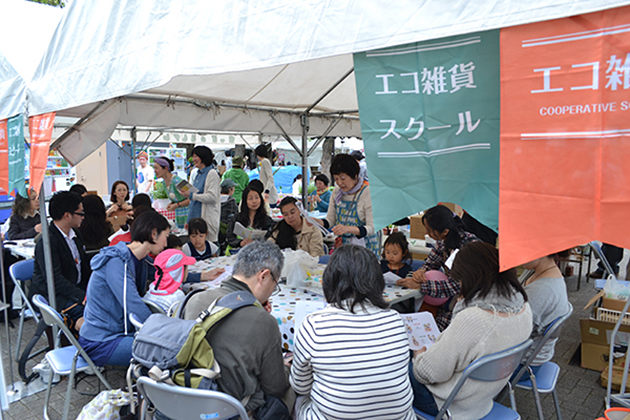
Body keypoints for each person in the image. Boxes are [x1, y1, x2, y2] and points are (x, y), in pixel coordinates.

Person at [291, 245, 415, 420]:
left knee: (297, 400)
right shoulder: (395, 319)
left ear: (330, 280)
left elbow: (300, 386)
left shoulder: (314, 324)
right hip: (398, 417)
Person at [410, 242, 532, 419]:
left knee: (395, 366)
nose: (459, 285)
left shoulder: (474, 318)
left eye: (458, 280)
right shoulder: (523, 306)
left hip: (448, 404)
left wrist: (418, 353)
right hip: (483, 398)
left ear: (470, 277)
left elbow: (427, 373)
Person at [182, 241, 291, 414]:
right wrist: (285, 366)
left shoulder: (194, 298)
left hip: (181, 399)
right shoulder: (264, 322)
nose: (272, 291)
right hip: (229, 410)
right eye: (274, 285)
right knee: (291, 391)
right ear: (263, 276)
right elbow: (275, 387)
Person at [79, 211, 171, 367]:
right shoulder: (117, 262)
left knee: (166, 347)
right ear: (154, 234)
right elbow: (133, 304)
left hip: (118, 333)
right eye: (166, 237)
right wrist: (164, 331)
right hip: (101, 342)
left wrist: (201, 276)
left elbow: (163, 274)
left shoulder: (139, 258)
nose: (166, 244)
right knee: (167, 351)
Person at [397, 204, 480, 330]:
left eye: (429, 230)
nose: (426, 233)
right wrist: (421, 271)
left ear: (445, 231)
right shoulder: (443, 242)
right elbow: (430, 263)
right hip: (450, 300)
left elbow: (456, 285)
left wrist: (422, 286)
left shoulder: (469, 248)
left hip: (470, 303)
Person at [30, 191, 90, 329]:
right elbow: (54, 280)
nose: (83, 217)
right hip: (55, 295)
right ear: (67, 216)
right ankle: (87, 346)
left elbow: (84, 268)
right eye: (80, 213)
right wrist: (82, 297)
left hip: (74, 288)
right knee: (89, 315)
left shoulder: (75, 235)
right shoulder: (47, 242)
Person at [518, 251, 570, 376]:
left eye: (523, 250)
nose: (518, 255)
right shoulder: (536, 271)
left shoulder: (542, 290)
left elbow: (517, 333)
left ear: (542, 251)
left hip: (523, 364)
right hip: (528, 354)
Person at [314, 153, 378, 256]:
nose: (339, 183)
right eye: (336, 179)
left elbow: (372, 227)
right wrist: (317, 222)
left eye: (343, 178)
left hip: (365, 249)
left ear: (355, 175)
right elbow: (330, 220)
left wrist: (348, 229)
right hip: (344, 248)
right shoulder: (337, 193)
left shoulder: (367, 193)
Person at [180, 146, 221, 244]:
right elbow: (194, 200)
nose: (193, 159)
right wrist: (189, 220)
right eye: (193, 156)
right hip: (196, 219)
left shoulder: (212, 174)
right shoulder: (198, 173)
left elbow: (212, 197)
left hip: (207, 221)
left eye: (196, 156)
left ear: (203, 157)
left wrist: (191, 195)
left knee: (208, 248)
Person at [144, 249, 196, 313]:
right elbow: (184, 318)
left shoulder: (152, 287)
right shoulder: (177, 295)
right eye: (186, 268)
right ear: (179, 271)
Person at [226, 187, 274, 251]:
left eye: (257, 197)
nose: (254, 201)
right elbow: (230, 237)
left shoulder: (266, 219)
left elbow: (271, 237)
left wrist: (256, 242)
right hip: (239, 251)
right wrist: (240, 242)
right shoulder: (236, 218)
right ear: (245, 201)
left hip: (259, 252)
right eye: (250, 198)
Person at [153, 156, 188, 228]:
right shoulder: (164, 183)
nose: (154, 171)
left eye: (156, 168)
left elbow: (194, 197)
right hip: (179, 218)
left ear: (165, 169)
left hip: (188, 217)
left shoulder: (178, 181)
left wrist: (177, 205)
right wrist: (172, 203)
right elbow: (178, 198)